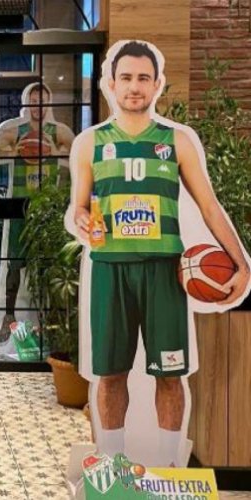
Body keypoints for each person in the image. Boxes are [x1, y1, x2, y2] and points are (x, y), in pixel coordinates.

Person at [72, 41, 250, 466]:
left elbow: (209, 207)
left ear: (157, 85)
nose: (134, 87)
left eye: (143, 78)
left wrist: (241, 264)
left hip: (164, 271)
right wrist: (81, 219)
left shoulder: (177, 141)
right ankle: (113, 469)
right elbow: (79, 207)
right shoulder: (90, 143)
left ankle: (171, 469)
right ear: (111, 83)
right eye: (126, 78)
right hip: (110, 270)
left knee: (171, 376)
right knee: (110, 375)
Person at [0, 83, 75, 344]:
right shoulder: (13, 130)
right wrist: (8, 147)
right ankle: (8, 316)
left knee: (48, 266)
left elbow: (81, 158)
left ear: (48, 102)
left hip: (47, 211)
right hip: (18, 206)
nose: (37, 104)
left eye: (42, 99)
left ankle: (48, 323)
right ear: (26, 101)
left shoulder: (59, 132)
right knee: (13, 265)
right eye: (33, 99)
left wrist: (55, 153)